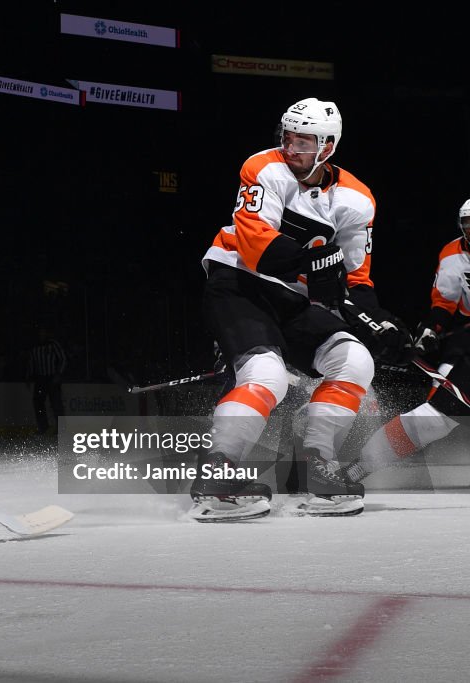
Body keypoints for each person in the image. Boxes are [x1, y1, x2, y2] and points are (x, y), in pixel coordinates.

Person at [193, 97, 410, 521]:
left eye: (304, 142)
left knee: (355, 359)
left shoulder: (358, 200)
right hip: (239, 282)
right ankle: (217, 475)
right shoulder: (262, 167)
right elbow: (256, 247)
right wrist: (314, 263)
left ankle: (319, 469)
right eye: (287, 138)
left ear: (328, 147)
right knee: (267, 375)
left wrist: (379, 322)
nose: (292, 148)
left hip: (291, 297)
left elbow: (354, 278)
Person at [343, 199, 470, 483]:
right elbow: (445, 302)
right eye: (469, 224)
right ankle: (358, 468)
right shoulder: (453, 255)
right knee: (439, 412)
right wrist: (431, 329)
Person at [27, 326, 67, 435]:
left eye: (43, 332)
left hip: (52, 378)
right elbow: (31, 363)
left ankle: (61, 429)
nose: (42, 334)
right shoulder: (34, 347)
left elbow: (63, 359)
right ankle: (43, 427)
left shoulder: (53, 344)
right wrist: (29, 376)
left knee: (56, 404)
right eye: (40, 332)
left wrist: (58, 374)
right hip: (40, 379)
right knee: (38, 403)